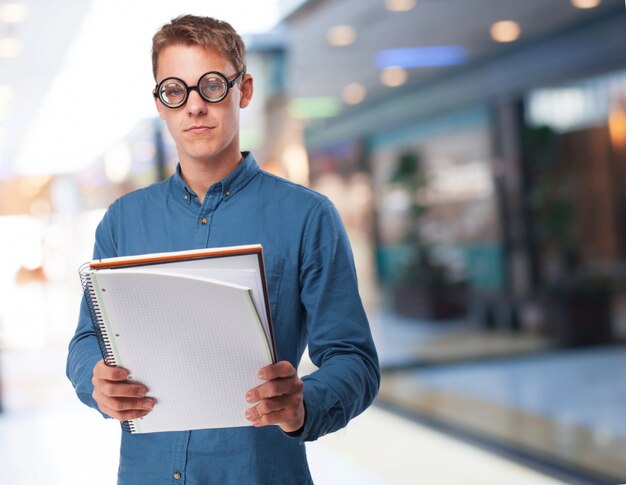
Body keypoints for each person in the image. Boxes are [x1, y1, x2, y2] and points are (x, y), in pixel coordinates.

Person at [66, 14, 379, 484]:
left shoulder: (307, 216)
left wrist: (301, 404)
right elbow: (87, 339)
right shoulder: (122, 221)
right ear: (161, 103)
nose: (193, 107)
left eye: (211, 85)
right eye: (175, 90)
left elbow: (354, 359)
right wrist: (95, 379)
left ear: (243, 90)